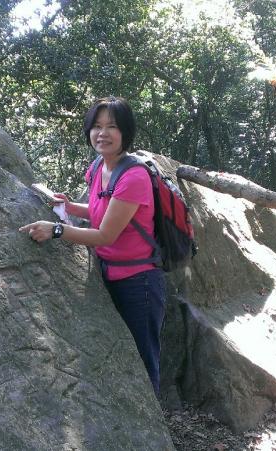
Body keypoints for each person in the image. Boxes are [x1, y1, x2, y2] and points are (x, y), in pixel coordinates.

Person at [19, 96, 167, 395]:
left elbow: (105, 235)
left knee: (142, 360)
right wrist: (70, 206)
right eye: (97, 126)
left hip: (138, 283)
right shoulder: (100, 166)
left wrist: (56, 229)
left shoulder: (134, 176)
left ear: (125, 131)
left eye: (112, 126)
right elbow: (103, 212)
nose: (102, 133)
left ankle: (150, 420)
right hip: (106, 272)